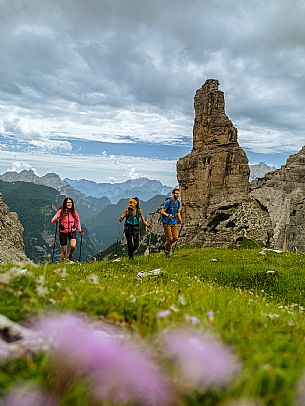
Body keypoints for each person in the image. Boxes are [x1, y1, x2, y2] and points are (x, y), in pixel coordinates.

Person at [51, 197, 83, 262]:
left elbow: (78, 221)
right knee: (64, 251)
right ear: (65, 203)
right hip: (63, 232)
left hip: (72, 231)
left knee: (73, 246)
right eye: (68, 202)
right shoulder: (60, 211)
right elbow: (53, 221)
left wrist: (79, 230)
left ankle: (70, 255)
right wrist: (56, 218)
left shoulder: (74, 211)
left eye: (70, 202)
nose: (69, 204)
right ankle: (62, 263)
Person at [161, 188, 182, 258]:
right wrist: (168, 215)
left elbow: (178, 212)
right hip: (167, 222)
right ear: (173, 194)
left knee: (175, 238)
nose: (177, 195)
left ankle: (167, 245)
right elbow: (162, 211)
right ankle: (167, 252)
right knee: (170, 238)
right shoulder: (168, 202)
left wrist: (180, 220)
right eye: (176, 193)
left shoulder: (178, 203)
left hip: (174, 222)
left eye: (178, 193)